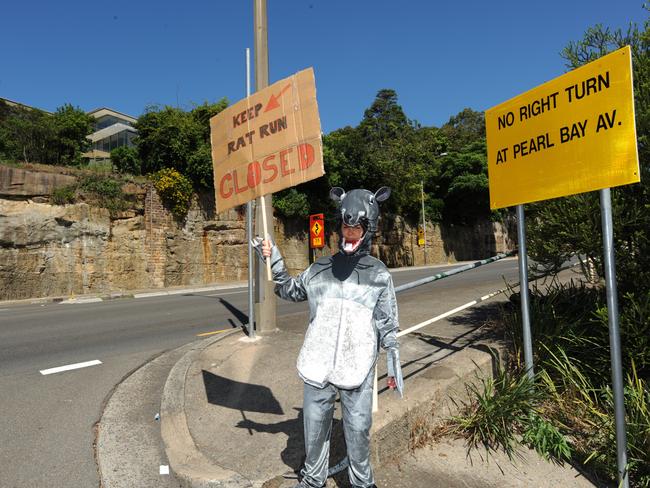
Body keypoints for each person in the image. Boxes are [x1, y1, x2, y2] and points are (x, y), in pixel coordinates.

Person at [253, 186, 403, 488]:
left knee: (359, 430)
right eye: (347, 226)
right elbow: (289, 289)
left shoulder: (379, 275)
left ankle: (362, 482)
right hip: (317, 364)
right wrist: (273, 258)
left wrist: (393, 358)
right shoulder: (320, 268)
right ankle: (312, 480)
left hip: (357, 366)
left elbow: (388, 322)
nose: (350, 232)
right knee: (314, 428)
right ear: (340, 226)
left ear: (369, 228)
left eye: (357, 227)